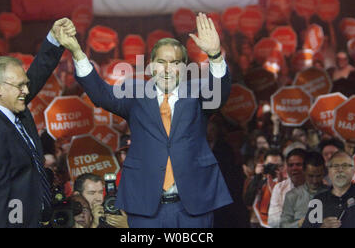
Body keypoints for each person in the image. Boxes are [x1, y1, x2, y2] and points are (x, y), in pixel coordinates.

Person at [65, 12, 232, 228]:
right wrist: (78, 52)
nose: (167, 68)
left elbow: (220, 94)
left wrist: (215, 55)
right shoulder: (134, 95)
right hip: (146, 206)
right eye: (161, 62)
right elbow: (100, 94)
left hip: (193, 205)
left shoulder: (198, 94)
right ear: (151, 65)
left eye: (175, 63)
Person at [0, 18, 76, 228]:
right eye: (20, 86)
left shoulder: (12, 110)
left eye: (25, 85)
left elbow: (36, 75)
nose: (27, 92)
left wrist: (54, 40)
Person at [302, 107, 355, 228]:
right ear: (328, 170)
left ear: (354, 170)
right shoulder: (318, 201)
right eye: (335, 166)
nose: (340, 169)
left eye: (345, 165)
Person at [280, 151, 328, 228]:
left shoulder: (332, 194)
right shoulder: (292, 195)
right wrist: (298, 224)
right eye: (311, 176)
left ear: (324, 173)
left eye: (318, 176)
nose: (314, 181)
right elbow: (283, 225)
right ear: (304, 171)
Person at [243, 149, 284, 228]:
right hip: (258, 223)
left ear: (283, 166)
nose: (273, 169)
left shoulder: (288, 182)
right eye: (270, 165)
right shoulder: (258, 179)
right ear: (264, 164)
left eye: (277, 166)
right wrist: (257, 177)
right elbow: (248, 201)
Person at [268, 148, 306, 228]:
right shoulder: (279, 188)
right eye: (290, 165)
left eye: (298, 164)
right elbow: (272, 221)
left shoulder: (317, 186)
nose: (294, 168)